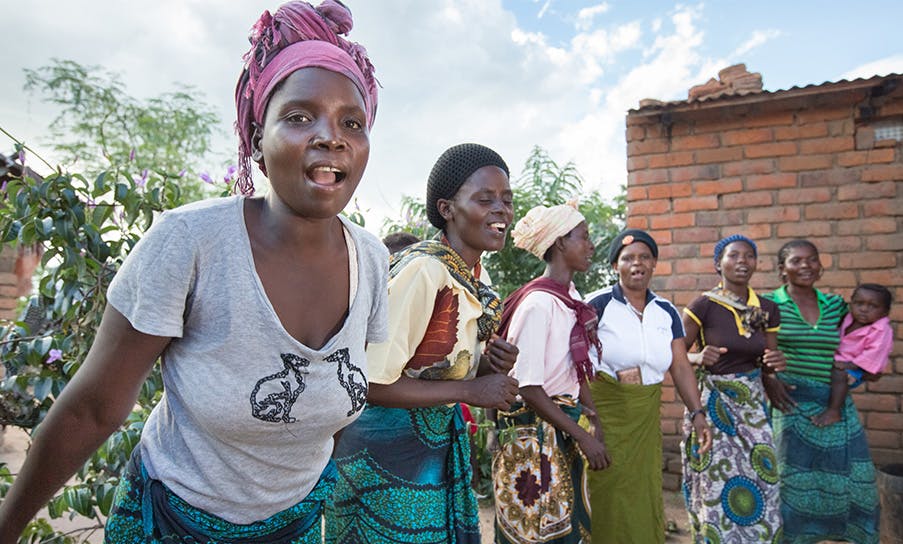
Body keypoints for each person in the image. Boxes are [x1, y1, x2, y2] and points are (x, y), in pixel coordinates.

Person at [0, 2, 387, 542]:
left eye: (353, 121)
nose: (331, 135)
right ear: (256, 139)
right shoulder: (191, 242)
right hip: (171, 522)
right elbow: (92, 409)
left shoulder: (371, 259)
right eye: (299, 117)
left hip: (298, 524)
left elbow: (335, 407)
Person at [325, 143, 521, 544]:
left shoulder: (471, 280)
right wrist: (472, 389)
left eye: (506, 199)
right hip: (385, 457)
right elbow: (371, 384)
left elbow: (426, 370)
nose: (501, 209)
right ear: (447, 208)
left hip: (427, 449)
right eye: (485, 199)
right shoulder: (424, 270)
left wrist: (487, 366)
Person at [491, 203, 610, 544]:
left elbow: (574, 368)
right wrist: (584, 436)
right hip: (533, 431)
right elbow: (529, 388)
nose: (591, 245)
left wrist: (593, 415)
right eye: (583, 237)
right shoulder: (538, 305)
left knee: (564, 523)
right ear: (559, 243)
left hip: (558, 425)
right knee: (534, 526)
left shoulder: (570, 298)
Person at [584, 229, 712, 544]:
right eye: (628, 258)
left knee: (643, 489)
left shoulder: (666, 311)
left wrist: (697, 412)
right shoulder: (596, 305)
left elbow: (680, 365)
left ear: (654, 264)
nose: (637, 264)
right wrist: (592, 416)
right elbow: (577, 363)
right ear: (616, 266)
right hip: (607, 413)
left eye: (644, 257)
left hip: (643, 417)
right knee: (607, 489)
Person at [762, 239, 880, 544]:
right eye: (797, 261)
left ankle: (844, 535)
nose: (806, 266)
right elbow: (751, 347)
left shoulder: (837, 306)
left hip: (834, 403)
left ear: (820, 266)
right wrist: (768, 376)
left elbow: (866, 336)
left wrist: (865, 369)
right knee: (792, 482)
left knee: (855, 482)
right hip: (789, 402)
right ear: (781, 270)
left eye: (812, 260)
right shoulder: (767, 305)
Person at [680, 234, 786, 543]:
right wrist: (698, 356)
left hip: (752, 405)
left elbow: (767, 361)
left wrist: (775, 363)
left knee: (764, 477)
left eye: (749, 256)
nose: (742, 261)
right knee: (715, 482)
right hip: (713, 405)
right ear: (718, 264)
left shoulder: (766, 308)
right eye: (734, 255)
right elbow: (674, 355)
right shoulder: (704, 304)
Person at [813, 283, 894, 426]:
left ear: (885, 312)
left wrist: (849, 365)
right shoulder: (848, 318)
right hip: (840, 361)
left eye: (873, 306)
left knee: (839, 375)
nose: (863, 309)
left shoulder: (881, 330)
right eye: (858, 303)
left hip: (861, 368)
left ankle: (834, 411)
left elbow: (873, 356)